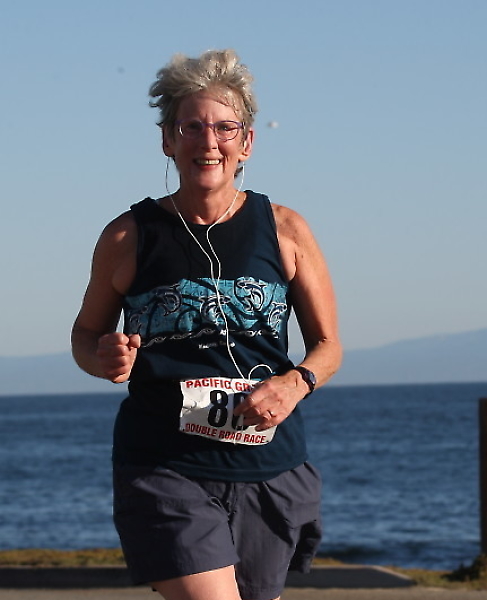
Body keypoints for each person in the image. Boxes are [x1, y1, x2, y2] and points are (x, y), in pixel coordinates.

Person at [71, 49, 342, 600]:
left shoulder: (285, 229)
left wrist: (295, 384)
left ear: (247, 142)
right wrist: (104, 357)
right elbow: (84, 336)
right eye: (190, 127)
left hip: (271, 464)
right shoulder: (127, 236)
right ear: (167, 141)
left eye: (224, 127)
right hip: (164, 463)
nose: (208, 141)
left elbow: (328, 345)